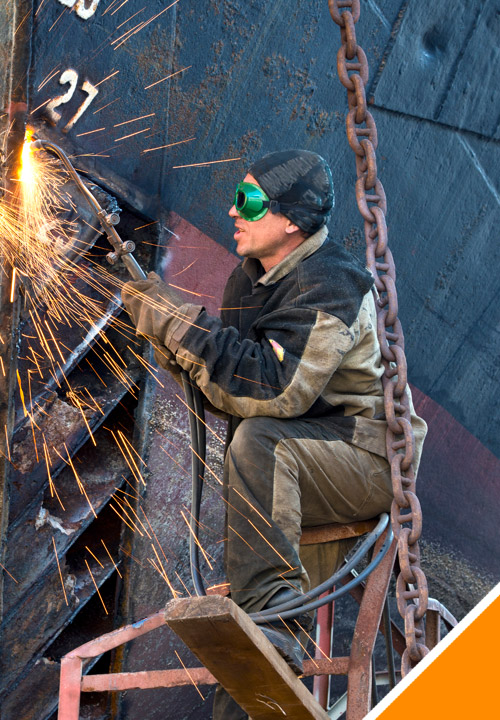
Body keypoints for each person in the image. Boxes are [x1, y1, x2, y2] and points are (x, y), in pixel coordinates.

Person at [120, 149, 426, 718]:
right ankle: (263, 637)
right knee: (253, 679)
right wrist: (170, 335)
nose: (234, 211)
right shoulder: (249, 280)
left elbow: (276, 388)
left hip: (367, 456)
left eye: (250, 201)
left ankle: (275, 621)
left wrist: (185, 327)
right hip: (301, 457)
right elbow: (235, 383)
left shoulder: (332, 281)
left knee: (260, 445)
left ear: (291, 220)